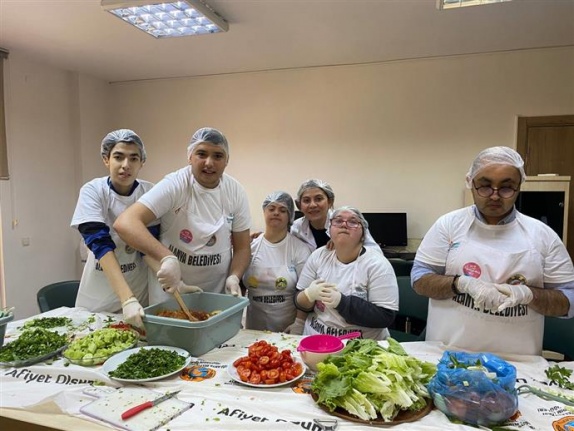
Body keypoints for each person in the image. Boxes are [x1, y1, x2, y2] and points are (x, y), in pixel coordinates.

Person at [412, 146, 574, 356]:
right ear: (471, 183)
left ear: (518, 187)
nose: (495, 196)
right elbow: (419, 280)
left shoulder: (543, 235)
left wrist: (527, 294)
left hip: (517, 360)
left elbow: (568, 302)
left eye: (506, 188)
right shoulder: (448, 226)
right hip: (447, 353)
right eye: (485, 186)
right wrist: (460, 283)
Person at [114, 127, 251, 304]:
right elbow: (125, 223)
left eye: (217, 156)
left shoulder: (235, 192)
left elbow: (242, 248)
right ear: (190, 157)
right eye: (201, 154)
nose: (209, 163)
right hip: (172, 291)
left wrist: (234, 276)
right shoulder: (175, 184)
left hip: (215, 293)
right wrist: (167, 258)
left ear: (226, 161)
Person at [71, 129, 157, 330]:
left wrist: (169, 276)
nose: (126, 165)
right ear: (106, 159)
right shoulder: (93, 191)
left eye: (133, 158)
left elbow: (148, 245)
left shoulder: (149, 193)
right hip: (99, 295)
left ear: (141, 162)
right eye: (118, 157)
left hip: (138, 294)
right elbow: (100, 244)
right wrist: (126, 299)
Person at [293, 206, 399, 339]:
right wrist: (308, 294)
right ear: (329, 230)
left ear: (363, 234)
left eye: (353, 222)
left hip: (360, 347)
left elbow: (385, 317)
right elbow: (299, 301)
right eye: (338, 221)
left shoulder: (377, 265)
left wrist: (341, 302)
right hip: (316, 340)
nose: (344, 225)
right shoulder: (318, 256)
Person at [242, 191, 312, 332]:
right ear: (264, 212)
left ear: (290, 216)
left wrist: (299, 323)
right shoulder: (250, 247)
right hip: (253, 329)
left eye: (282, 210)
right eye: (271, 208)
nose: (276, 213)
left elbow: (305, 291)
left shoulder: (299, 249)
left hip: (288, 329)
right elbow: (240, 285)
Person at [291, 178, 381, 251]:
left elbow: (376, 252)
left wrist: (347, 245)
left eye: (318, 199)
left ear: (330, 202)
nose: (313, 205)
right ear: (299, 206)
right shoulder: (296, 229)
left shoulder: (348, 222)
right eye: (306, 200)